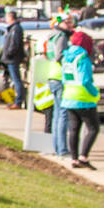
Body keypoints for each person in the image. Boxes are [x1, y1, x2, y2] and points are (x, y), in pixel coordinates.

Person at [61, 29, 100, 168]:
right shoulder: (83, 58)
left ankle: (74, 159)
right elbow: (86, 80)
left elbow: (64, 77)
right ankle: (83, 157)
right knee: (93, 128)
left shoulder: (66, 57)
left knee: (74, 129)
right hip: (83, 98)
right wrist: (95, 93)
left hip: (68, 97)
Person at [44, 12, 75, 157]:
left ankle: (56, 146)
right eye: (67, 22)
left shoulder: (52, 36)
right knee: (63, 115)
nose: (70, 25)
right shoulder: (61, 37)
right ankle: (62, 148)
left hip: (53, 76)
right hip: (60, 77)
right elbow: (59, 56)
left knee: (57, 114)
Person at [0, 8, 26, 108]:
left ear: (11, 17)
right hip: (9, 58)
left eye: (6, 17)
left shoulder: (16, 28)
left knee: (16, 80)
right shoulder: (12, 28)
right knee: (9, 81)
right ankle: (11, 100)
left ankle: (18, 101)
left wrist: (8, 54)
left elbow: (15, 44)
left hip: (12, 58)